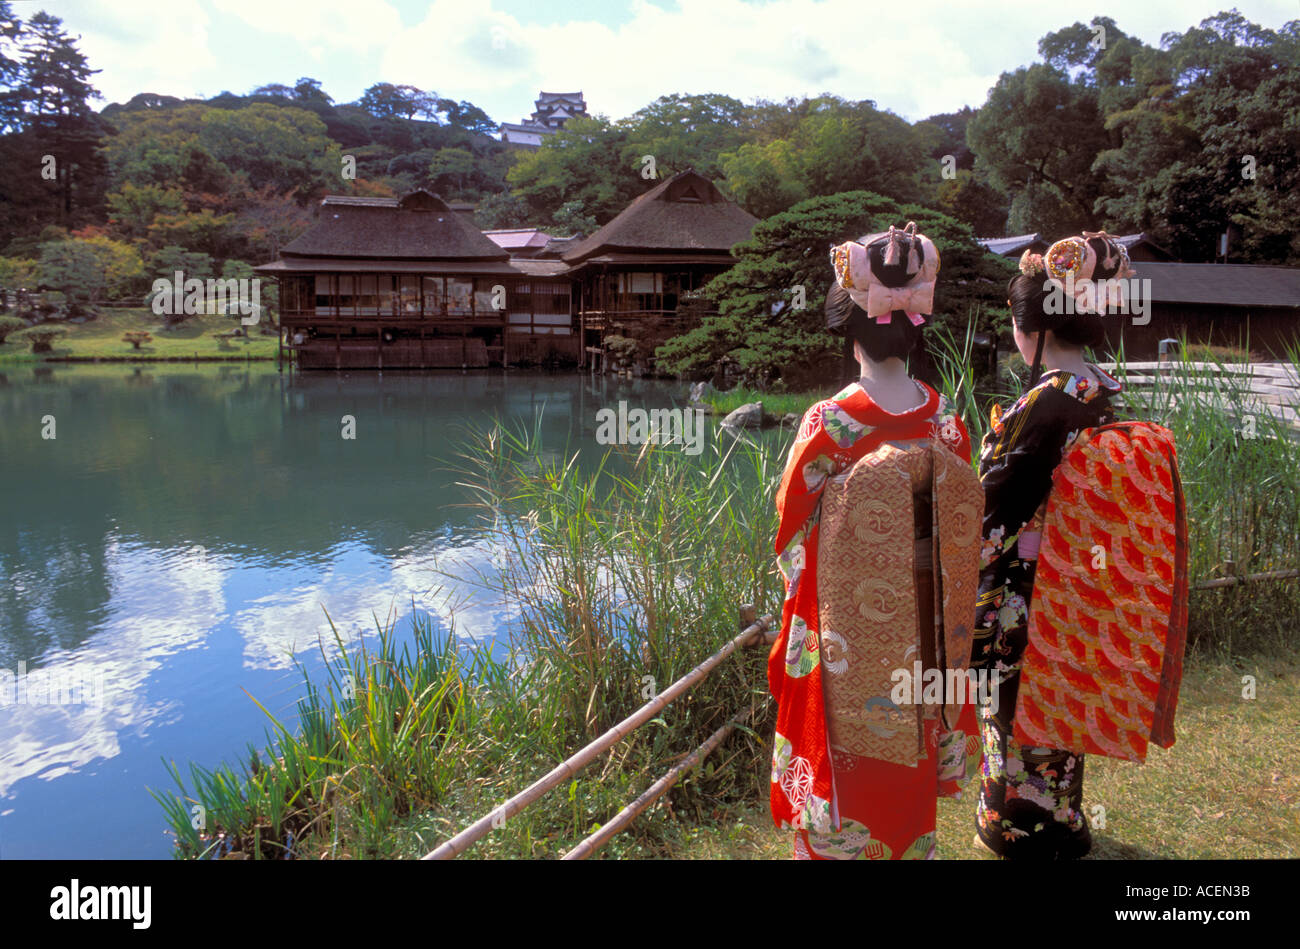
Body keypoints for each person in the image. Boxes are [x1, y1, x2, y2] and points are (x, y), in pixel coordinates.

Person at [768, 224, 984, 860]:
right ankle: (910, 844)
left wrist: (812, 581)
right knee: (910, 738)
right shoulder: (946, 423)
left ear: (848, 329)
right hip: (928, 625)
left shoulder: (834, 422)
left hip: (849, 630)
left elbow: (790, 528)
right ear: (914, 323)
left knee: (849, 749)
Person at [970, 233, 1132, 859]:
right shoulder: (1102, 388)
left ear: (1028, 325)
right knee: (1059, 702)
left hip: (1026, 583)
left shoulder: (1050, 398)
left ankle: (1016, 825)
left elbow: (997, 506)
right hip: (1080, 573)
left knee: (1016, 704)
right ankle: (1061, 814)